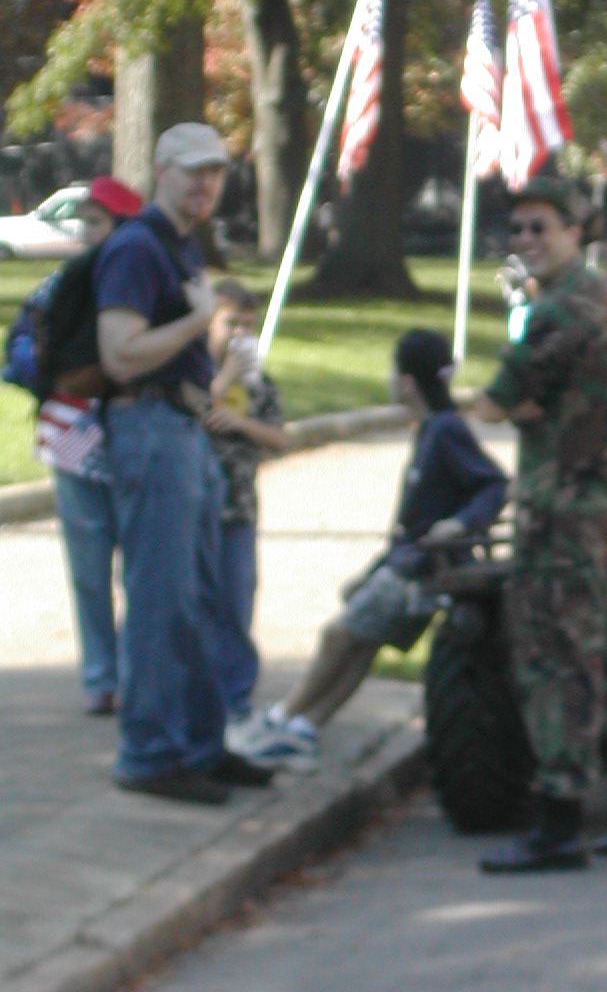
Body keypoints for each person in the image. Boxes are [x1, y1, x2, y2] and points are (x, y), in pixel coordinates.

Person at [475, 176, 607, 874]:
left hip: (567, 511)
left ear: (573, 230)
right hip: (605, 507)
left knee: (559, 659)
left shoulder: (562, 311)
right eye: (518, 229)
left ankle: (560, 820)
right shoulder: (591, 298)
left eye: (540, 228)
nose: (526, 241)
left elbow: (497, 401)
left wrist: (502, 403)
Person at [230, 328, 507, 772]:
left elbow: (493, 484)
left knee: (339, 635)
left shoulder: (445, 431)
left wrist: (460, 524)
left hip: (419, 570)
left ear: (409, 382)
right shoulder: (432, 430)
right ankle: (305, 728)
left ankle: (282, 718)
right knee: (361, 644)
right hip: (403, 563)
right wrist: (373, 567)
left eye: (394, 371)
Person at [94, 123, 272, 804]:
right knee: (160, 600)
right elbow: (120, 353)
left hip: (182, 428)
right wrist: (200, 323)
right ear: (160, 169)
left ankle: (200, 746)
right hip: (148, 426)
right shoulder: (138, 245)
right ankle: (147, 754)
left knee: (199, 600)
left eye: (216, 172)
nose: (204, 183)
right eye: (192, 170)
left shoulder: (178, 246)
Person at [16, 177, 143, 712]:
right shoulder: (58, 284)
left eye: (100, 221)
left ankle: (140, 671)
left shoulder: (145, 285)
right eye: (86, 221)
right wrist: (44, 372)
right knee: (90, 569)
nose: (90, 231)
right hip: (71, 437)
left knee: (141, 566)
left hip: (136, 436)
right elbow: (22, 341)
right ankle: (102, 679)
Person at [204, 279, 289, 729]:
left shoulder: (258, 385)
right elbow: (193, 411)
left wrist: (241, 421)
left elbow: (278, 436)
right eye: (229, 323)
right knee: (196, 604)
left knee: (236, 601)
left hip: (239, 510)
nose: (238, 334)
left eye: (247, 326)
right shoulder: (194, 375)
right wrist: (222, 382)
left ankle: (235, 694)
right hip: (195, 511)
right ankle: (195, 693)